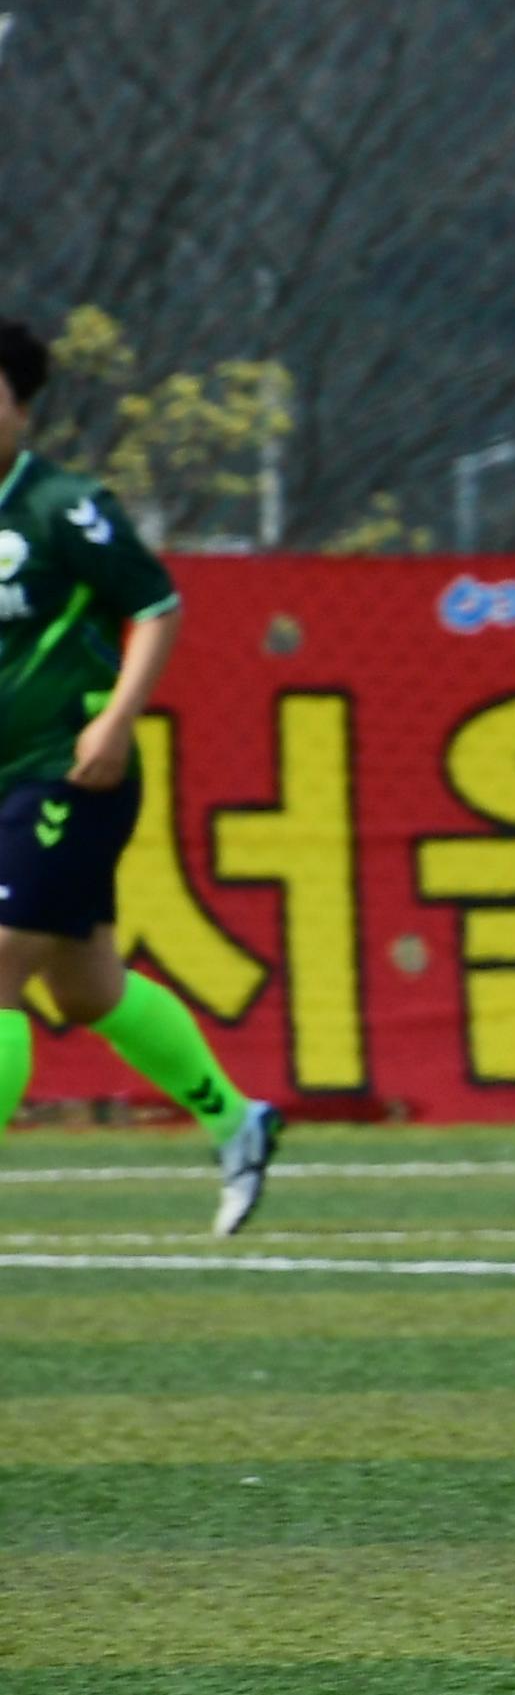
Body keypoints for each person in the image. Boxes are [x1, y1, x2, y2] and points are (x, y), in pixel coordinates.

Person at [0, 320, 282, 1230]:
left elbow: (155, 606)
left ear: (20, 406)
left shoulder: (62, 506)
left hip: (68, 774)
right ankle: (238, 1122)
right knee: (87, 989)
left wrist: (117, 720)